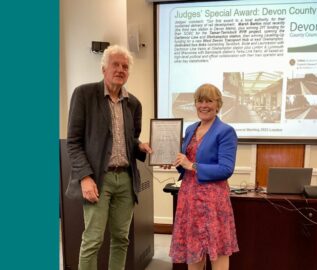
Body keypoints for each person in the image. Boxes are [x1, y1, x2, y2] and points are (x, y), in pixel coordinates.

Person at [65, 44, 152, 270]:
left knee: (121, 239)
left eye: (125, 66)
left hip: (125, 179)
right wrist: (84, 177)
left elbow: (130, 140)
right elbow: (73, 142)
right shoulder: (84, 94)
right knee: (93, 240)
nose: (120, 70)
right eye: (115, 64)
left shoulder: (133, 103)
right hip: (96, 180)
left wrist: (141, 146)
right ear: (104, 68)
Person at [169, 83, 239, 270]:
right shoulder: (190, 129)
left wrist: (191, 165)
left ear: (218, 104)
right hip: (189, 196)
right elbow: (186, 164)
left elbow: (226, 169)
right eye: (200, 101)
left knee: (219, 248)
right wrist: (174, 161)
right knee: (193, 247)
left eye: (209, 100)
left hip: (213, 199)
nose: (204, 105)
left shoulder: (225, 131)